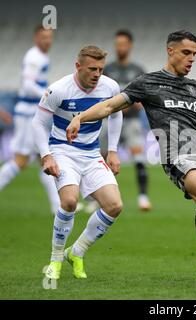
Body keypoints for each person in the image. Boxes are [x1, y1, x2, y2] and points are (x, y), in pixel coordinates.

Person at [66, 30, 196, 284]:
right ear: (171, 51)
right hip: (176, 154)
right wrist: (80, 117)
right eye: (186, 53)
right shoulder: (148, 83)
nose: (191, 59)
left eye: (194, 55)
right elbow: (110, 105)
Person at [32, 45, 124, 280]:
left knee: (114, 205)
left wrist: (112, 151)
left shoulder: (110, 86)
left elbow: (116, 114)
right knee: (70, 201)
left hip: (92, 154)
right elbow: (39, 123)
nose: (97, 74)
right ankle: (55, 259)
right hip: (63, 151)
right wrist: (46, 155)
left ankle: (77, 252)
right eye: (92, 69)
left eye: (101, 69)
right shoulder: (59, 90)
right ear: (78, 66)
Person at [0, 26, 60, 214]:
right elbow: (27, 84)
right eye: (43, 37)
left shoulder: (41, 56)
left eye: (49, 37)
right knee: (21, 160)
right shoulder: (34, 57)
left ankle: (58, 206)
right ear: (36, 38)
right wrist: (47, 94)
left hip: (33, 114)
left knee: (46, 158)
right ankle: (58, 206)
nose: (47, 41)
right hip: (27, 114)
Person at [104, 30, 152, 211]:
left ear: (130, 46)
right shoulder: (108, 70)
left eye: (123, 44)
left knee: (139, 158)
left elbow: (144, 98)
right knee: (100, 159)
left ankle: (143, 197)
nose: (119, 47)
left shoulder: (138, 71)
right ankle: (96, 200)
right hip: (108, 122)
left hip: (131, 121)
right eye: (117, 44)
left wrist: (127, 105)